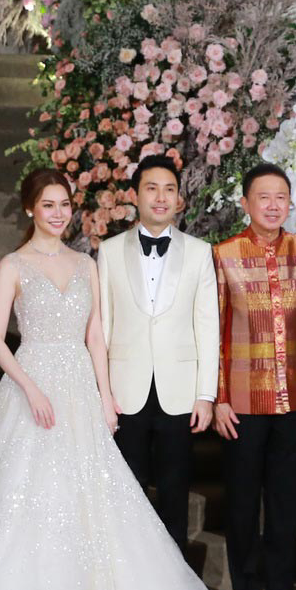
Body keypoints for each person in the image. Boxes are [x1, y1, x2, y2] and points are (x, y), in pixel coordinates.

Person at [0, 169, 224, 590]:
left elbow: (97, 334)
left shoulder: (86, 264)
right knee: (28, 492)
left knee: (98, 495)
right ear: (30, 209)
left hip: (81, 384)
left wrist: (105, 394)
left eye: (64, 205)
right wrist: (30, 388)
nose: (58, 214)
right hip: (32, 379)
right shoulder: (12, 265)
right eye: (48, 205)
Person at [212, 163, 296, 590]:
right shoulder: (223, 255)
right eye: (264, 196)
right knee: (242, 500)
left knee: (285, 499)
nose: (273, 204)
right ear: (245, 203)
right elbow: (215, 332)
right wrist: (218, 396)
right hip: (241, 400)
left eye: (281, 196)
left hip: (295, 397)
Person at [96, 154, 218, 551]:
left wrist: (206, 394)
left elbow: (207, 324)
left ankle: (177, 589)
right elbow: (104, 326)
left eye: (170, 190)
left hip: (179, 391)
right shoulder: (110, 251)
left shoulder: (200, 252)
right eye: (152, 188)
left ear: (179, 199)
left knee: (175, 492)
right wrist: (103, 394)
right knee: (125, 492)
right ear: (135, 195)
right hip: (125, 390)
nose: (161, 198)